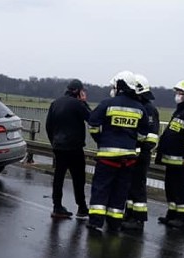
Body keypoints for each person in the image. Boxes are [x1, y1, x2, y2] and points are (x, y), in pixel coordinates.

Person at [86, 71, 150, 233]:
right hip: (128, 159)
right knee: (120, 191)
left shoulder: (107, 104)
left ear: (119, 85)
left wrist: (100, 140)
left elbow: (93, 123)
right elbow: (143, 135)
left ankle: (96, 222)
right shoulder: (140, 108)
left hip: (107, 158)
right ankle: (114, 223)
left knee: (101, 188)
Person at [155, 80, 184, 230]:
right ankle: (172, 214)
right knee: (171, 187)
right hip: (172, 159)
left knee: (181, 188)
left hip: (182, 160)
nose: (177, 96)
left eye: (180, 93)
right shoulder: (181, 111)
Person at [45, 79, 91, 219]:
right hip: (74, 147)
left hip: (59, 146)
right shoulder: (77, 104)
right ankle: (82, 207)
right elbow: (91, 118)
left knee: (59, 177)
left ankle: (57, 206)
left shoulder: (55, 103)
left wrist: (54, 142)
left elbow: (48, 126)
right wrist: (84, 102)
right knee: (78, 178)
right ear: (77, 91)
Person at [122, 74, 160, 231]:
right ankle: (129, 214)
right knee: (130, 185)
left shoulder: (149, 109)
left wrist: (141, 150)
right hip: (133, 153)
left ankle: (138, 219)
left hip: (141, 154)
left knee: (138, 186)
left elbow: (151, 136)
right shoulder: (138, 106)